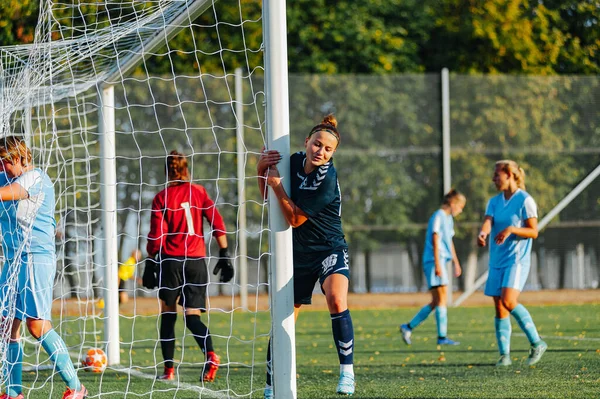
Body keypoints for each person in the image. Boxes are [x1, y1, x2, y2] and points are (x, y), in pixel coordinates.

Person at [257, 115, 355, 398]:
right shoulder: (292, 162)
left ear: (333, 154)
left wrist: (276, 186)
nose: (320, 151)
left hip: (329, 247)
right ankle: (270, 384)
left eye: (327, 149)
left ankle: (347, 373)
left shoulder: (327, 178)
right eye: (317, 144)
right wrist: (259, 170)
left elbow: (295, 218)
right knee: (284, 318)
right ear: (307, 142)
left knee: (336, 299)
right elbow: (268, 200)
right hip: (297, 254)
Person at [0, 136, 87, 399]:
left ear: (18, 158)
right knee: (5, 326)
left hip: (36, 258)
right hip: (13, 259)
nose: (2, 169)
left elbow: (6, 194)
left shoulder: (34, 177)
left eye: (4, 163)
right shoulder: (8, 176)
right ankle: (14, 393)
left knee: (36, 326)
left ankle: (76, 388)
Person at [146, 150, 234, 383]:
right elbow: (217, 222)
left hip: (171, 261)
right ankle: (211, 355)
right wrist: (224, 253)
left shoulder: (161, 197)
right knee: (192, 316)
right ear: (187, 170)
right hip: (196, 262)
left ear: (167, 171)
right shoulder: (199, 192)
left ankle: (168, 371)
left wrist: (149, 260)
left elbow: (156, 237)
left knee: (167, 313)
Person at [477, 160, 547, 367]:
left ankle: (537, 342)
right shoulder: (494, 201)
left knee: (508, 300)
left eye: (497, 175)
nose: (493, 179)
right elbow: (488, 220)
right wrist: (483, 232)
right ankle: (504, 356)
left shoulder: (525, 200)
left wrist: (511, 230)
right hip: (496, 260)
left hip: (516, 260)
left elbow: (533, 231)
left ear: (509, 175)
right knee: (499, 308)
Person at [400, 189, 465, 346]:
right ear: (452, 203)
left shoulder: (448, 220)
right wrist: (437, 264)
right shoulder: (438, 216)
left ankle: (408, 327)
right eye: (460, 206)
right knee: (441, 299)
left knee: (437, 301)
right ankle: (441, 337)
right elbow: (435, 240)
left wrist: (456, 262)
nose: (461, 210)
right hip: (434, 261)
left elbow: (449, 242)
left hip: (441, 261)